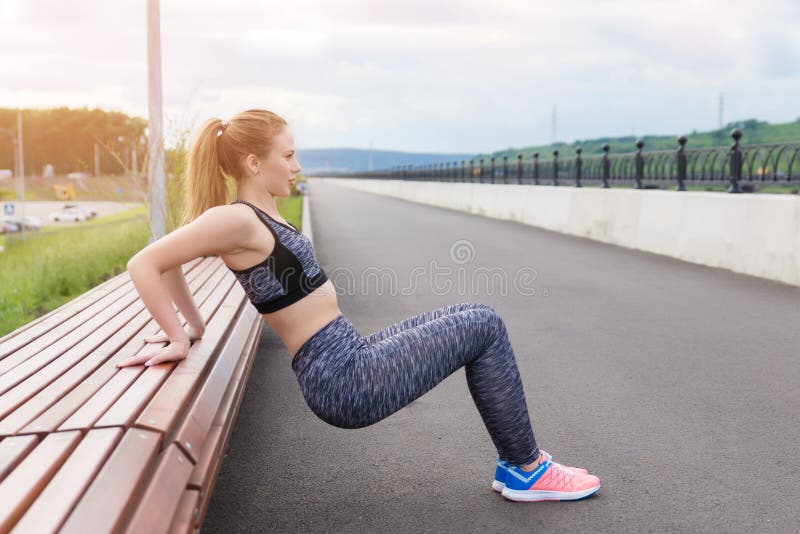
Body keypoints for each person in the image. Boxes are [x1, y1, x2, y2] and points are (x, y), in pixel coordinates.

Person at [117, 109, 601, 502]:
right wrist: (181, 335)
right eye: (288, 155)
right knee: (484, 324)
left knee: (476, 316)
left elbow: (172, 260)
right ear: (252, 164)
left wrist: (194, 326)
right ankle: (527, 468)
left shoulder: (257, 215)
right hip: (342, 379)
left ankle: (518, 463)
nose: (297, 165)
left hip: (349, 355)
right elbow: (148, 262)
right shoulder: (236, 220)